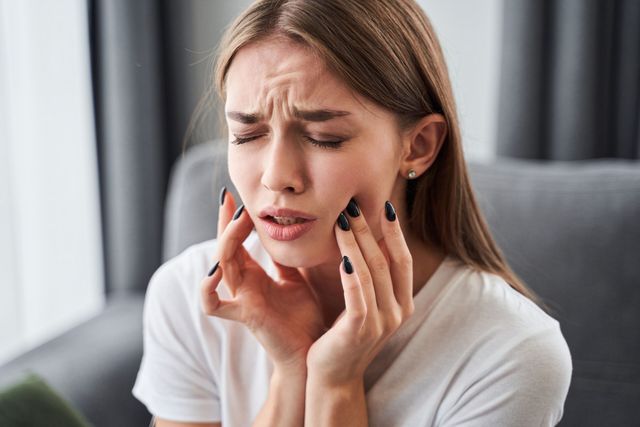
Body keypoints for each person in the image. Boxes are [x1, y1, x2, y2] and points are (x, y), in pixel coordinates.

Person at [132, 0, 572, 426]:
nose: (276, 176)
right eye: (247, 134)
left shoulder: (513, 353)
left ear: (417, 146)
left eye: (324, 137)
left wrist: (336, 383)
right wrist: (292, 373)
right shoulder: (190, 294)